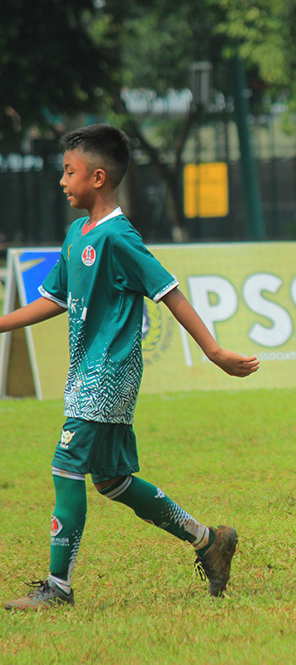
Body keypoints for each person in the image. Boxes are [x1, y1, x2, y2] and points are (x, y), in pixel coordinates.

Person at [2, 124, 259, 611]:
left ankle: (58, 589)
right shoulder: (78, 233)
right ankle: (209, 540)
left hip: (110, 371)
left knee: (65, 467)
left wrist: (214, 352)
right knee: (112, 480)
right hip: (85, 372)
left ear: (98, 178)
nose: (62, 181)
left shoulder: (120, 237)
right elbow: (52, 300)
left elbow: (170, 292)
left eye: (69, 172)